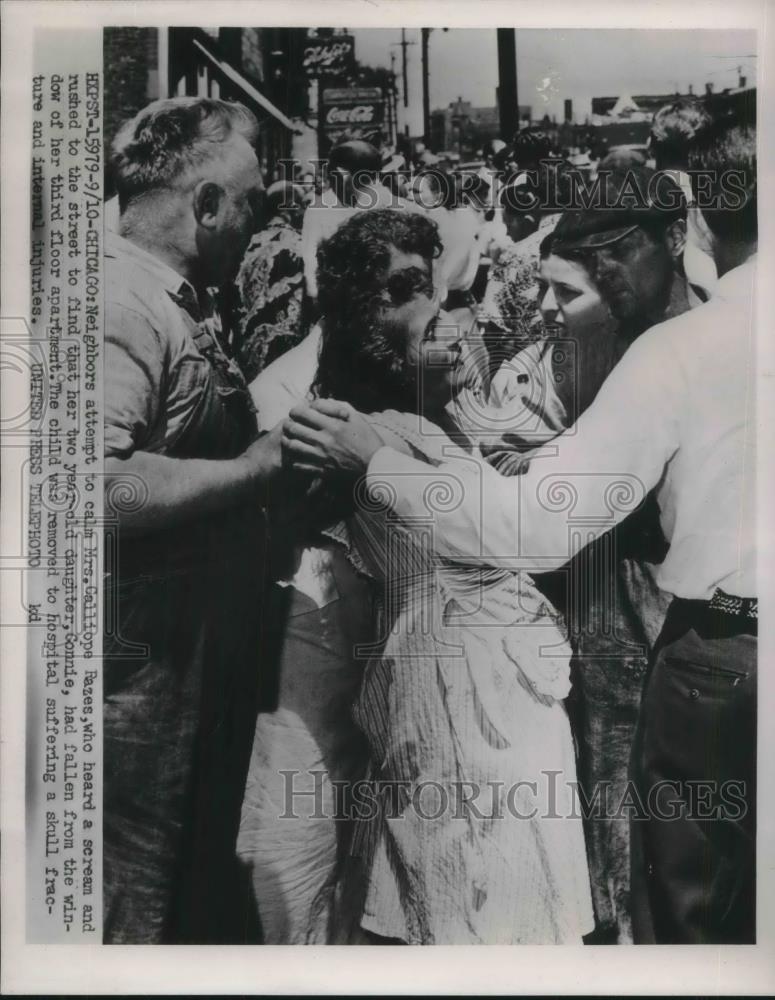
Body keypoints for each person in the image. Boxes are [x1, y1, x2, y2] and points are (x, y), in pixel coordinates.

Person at [283, 120, 757, 944]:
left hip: (706, 659)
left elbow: (534, 526)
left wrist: (379, 461)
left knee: (694, 920)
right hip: (561, 667)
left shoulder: (680, 348)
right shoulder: (550, 367)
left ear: (687, 228)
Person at [285, 209, 595, 945]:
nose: (446, 313)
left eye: (440, 288)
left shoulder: (446, 415)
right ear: (365, 317)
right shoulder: (365, 432)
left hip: (501, 689)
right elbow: (502, 534)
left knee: (502, 899)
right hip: (455, 688)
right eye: (409, 290)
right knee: (467, 901)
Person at [103, 97, 283, 943]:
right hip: (140, 667)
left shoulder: (168, 295)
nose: (255, 225)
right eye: (249, 205)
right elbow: (92, 490)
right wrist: (250, 471)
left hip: (187, 650)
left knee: (184, 874)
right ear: (206, 204)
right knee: (137, 880)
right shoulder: (120, 306)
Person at [301, 140, 408, 302]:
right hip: (388, 303)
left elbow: (311, 268)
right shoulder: (401, 207)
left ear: (340, 173)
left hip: (343, 305)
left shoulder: (320, 208)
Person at [232, 180, 306, 382]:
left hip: (244, 351)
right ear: (293, 208)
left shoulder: (244, 245)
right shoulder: (302, 246)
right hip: (288, 355)